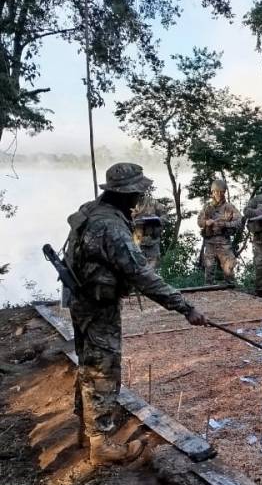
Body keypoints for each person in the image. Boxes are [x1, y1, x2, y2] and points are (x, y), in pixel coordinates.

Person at [65, 163, 207, 465]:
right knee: (103, 370)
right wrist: (185, 307)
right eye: (137, 192)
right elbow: (142, 274)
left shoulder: (93, 210)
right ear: (125, 193)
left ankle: (86, 432)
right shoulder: (112, 227)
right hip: (97, 304)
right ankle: (101, 445)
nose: (140, 196)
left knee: (89, 364)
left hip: (81, 298)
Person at [197, 179, 242, 285]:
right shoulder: (207, 207)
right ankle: (209, 294)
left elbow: (239, 221)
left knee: (229, 270)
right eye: (216, 191)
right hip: (210, 242)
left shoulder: (229, 207)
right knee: (209, 269)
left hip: (224, 242)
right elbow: (199, 221)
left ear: (224, 192)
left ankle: (232, 293)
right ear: (212, 192)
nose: (219, 194)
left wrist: (226, 224)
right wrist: (206, 222)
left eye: (221, 191)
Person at [131, 187, 165, 270]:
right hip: (135, 243)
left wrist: (157, 220)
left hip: (152, 242)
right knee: (136, 270)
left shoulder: (153, 203)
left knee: (151, 272)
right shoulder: (129, 204)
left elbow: (165, 216)